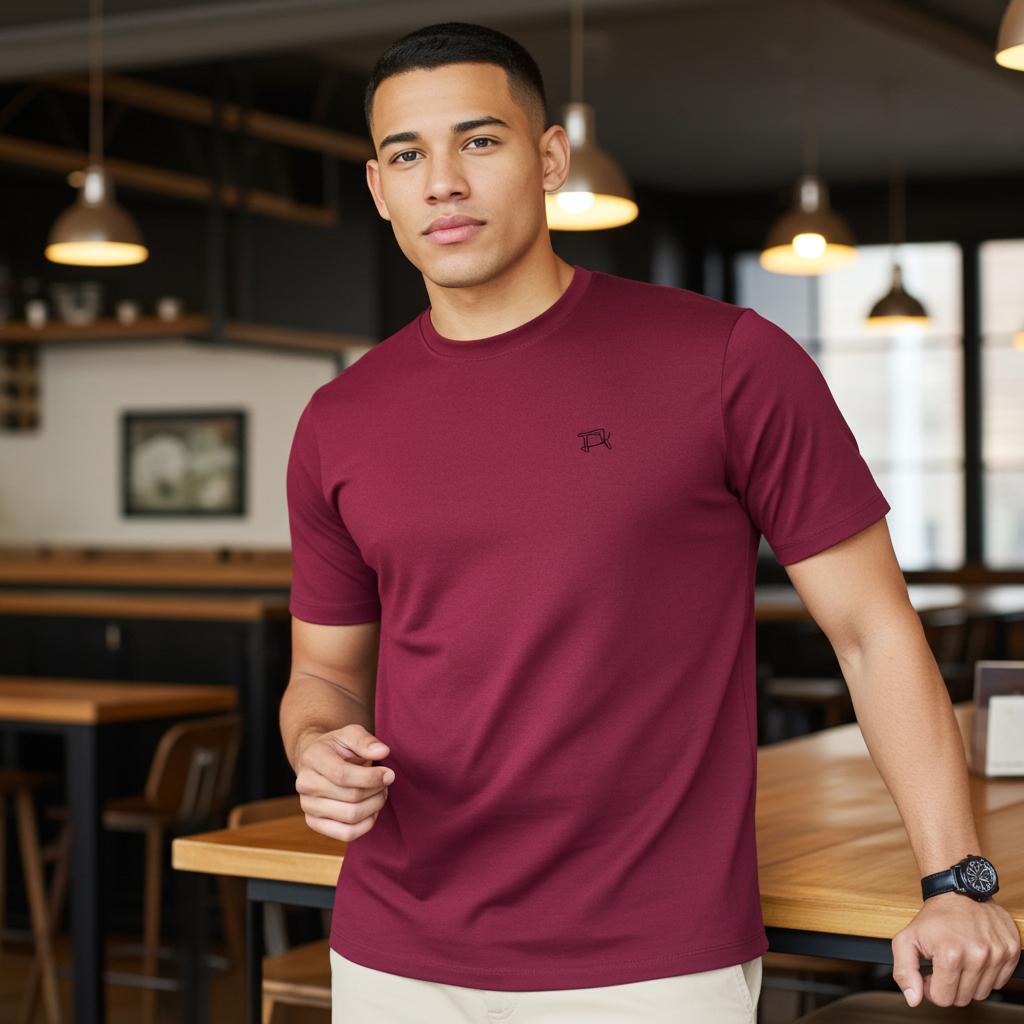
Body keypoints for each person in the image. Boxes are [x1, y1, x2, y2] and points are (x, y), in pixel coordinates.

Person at [280, 22, 1020, 1024]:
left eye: (479, 141)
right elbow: (324, 672)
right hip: (397, 949)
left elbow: (871, 631)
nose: (441, 181)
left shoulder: (726, 361)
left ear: (549, 159)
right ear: (378, 188)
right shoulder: (338, 420)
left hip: (649, 959)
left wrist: (953, 880)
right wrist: (317, 743)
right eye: (408, 155)